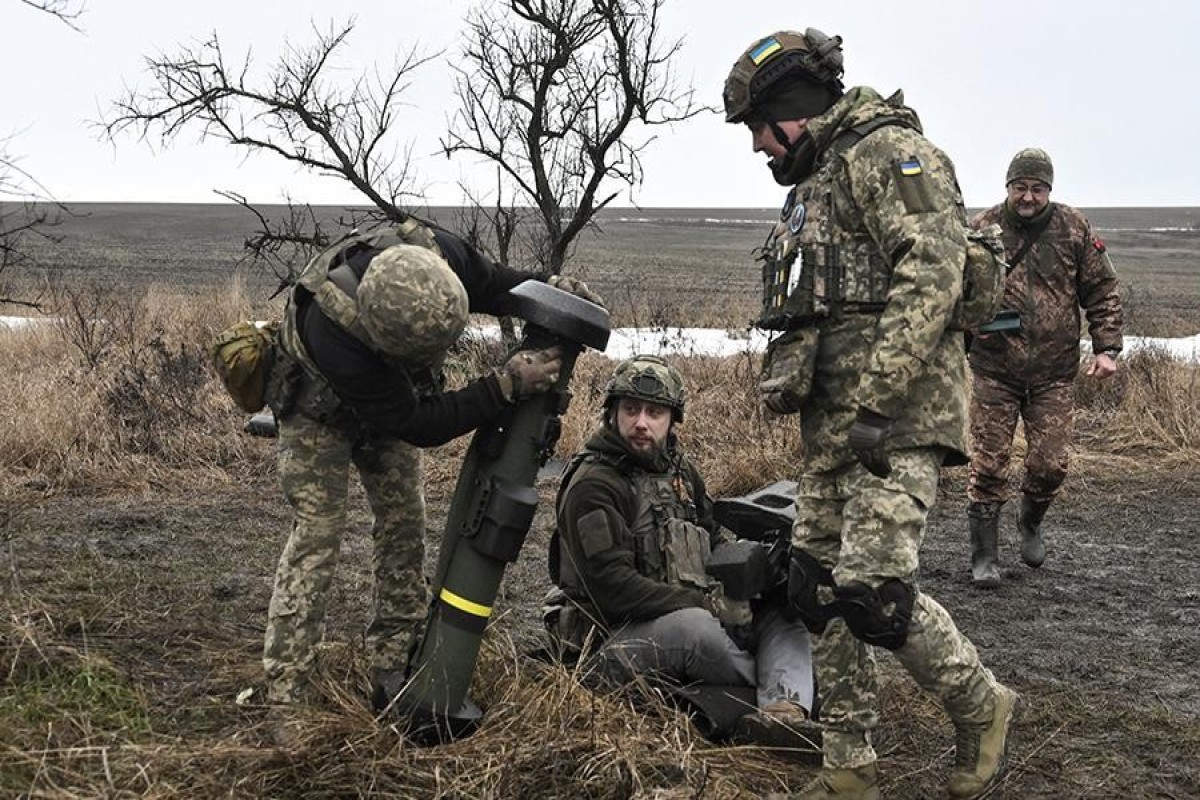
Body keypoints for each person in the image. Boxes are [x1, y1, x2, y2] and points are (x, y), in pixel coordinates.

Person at [722, 29, 1016, 799]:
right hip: (834, 429)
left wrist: (880, 400)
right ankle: (848, 766)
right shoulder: (817, 181)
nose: (758, 144)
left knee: (872, 592)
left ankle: (982, 705)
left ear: (793, 105)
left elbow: (933, 273)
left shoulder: (888, 154)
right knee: (817, 588)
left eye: (760, 124)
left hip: (901, 417)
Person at [260, 215, 601, 735]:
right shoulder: (335, 333)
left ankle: (393, 664)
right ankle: (289, 698)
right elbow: (419, 422)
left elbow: (496, 283)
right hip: (317, 412)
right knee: (317, 538)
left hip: (391, 390)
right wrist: (504, 386)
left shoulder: (441, 254)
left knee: (404, 524)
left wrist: (547, 288)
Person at [548, 354, 818, 747]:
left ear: (672, 419)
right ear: (613, 414)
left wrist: (748, 579)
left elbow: (712, 537)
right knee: (696, 629)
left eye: (654, 412)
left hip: (681, 616)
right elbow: (613, 589)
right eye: (631, 410)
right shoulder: (595, 485)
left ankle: (782, 714)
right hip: (610, 641)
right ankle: (781, 682)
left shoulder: (679, 470)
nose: (641, 422)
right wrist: (708, 603)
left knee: (780, 610)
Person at [966, 148, 1123, 587]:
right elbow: (958, 292)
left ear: (1049, 190)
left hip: (1054, 372)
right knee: (989, 465)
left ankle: (1030, 520)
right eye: (1021, 187)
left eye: (1037, 188)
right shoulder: (982, 229)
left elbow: (1102, 290)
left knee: (1050, 465)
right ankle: (985, 557)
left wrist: (1106, 348)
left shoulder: (1074, 227)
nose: (1029, 197)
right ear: (1008, 187)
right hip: (994, 369)